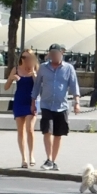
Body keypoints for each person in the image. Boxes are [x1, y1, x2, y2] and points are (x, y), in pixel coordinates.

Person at [32, 43, 81, 171]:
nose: (54, 56)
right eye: (52, 54)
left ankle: (53, 160)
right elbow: (37, 85)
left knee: (58, 134)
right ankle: (48, 159)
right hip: (46, 104)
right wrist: (33, 102)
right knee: (47, 130)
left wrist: (77, 102)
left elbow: (74, 85)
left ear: (61, 54)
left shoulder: (68, 68)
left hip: (62, 106)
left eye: (56, 54)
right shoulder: (43, 68)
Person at [4, 48, 38, 168]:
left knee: (30, 129)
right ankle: (23, 158)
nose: (26, 60)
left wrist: (34, 74)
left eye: (28, 58)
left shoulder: (36, 70)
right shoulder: (16, 69)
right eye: (23, 58)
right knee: (20, 131)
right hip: (19, 102)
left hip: (31, 102)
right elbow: (6, 87)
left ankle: (31, 155)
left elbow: (39, 88)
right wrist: (11, 78)